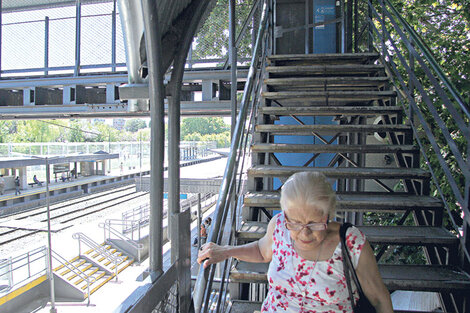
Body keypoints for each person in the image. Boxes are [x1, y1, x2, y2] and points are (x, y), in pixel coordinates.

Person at [198, 172, 393, 313]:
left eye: (313, 223)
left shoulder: (351, 243)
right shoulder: (280, 225)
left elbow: (379, 300)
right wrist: (225, 251)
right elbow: (262, 251)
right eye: (295, 222)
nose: (304, 233)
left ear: (328, 214)